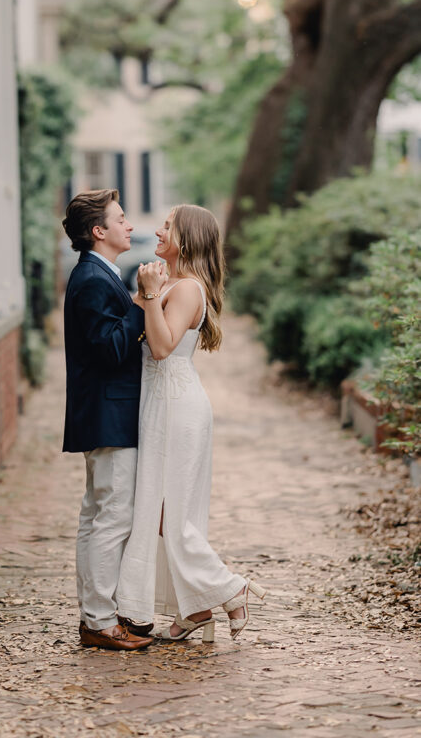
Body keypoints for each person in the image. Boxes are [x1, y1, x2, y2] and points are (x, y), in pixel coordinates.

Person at [117, 204, 266, 642]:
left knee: (173, 514)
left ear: (188, 239)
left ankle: (230, 587)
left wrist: (148, 295)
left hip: (176, 406)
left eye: (168, 226)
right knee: (162, 513)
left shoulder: (186, 289)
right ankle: (196, 610)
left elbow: (161, 347)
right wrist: (147, 293)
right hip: (159, 403)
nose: (159, 231)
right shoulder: (171, 283)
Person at [62, 189, 154, 651]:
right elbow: (111, 350)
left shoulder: (99, 273)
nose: (129, 225)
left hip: (104, 412)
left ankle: (96, 615)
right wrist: (141, 303)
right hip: (109, 413)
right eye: (120, 219)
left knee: (97, 516)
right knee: (112, 518)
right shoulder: (93, 279)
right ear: (99, 231)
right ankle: (99, 622)